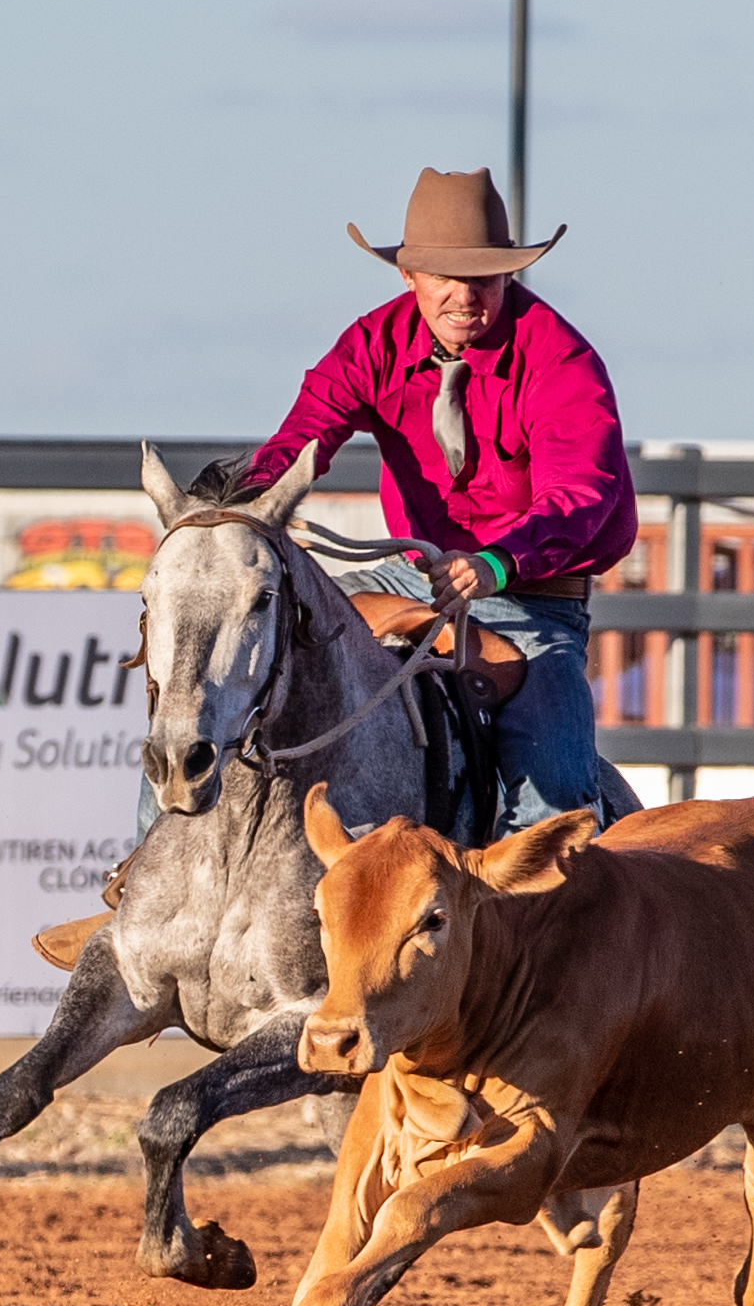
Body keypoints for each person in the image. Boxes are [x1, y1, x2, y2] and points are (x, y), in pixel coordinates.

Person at [238, 165, 636, 833]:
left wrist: (498, 562)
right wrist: (247, 506)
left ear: (508, 275)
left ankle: (548, 886)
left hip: (532, 600)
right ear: (409, 275)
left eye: (484, 277)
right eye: (445, 276)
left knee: (556, 801)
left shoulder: (559, 359)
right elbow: (306, 433)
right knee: (224, 685)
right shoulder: (372, 343)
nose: (464, 294)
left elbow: (581, 491)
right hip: (410, 574)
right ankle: (140, 873)